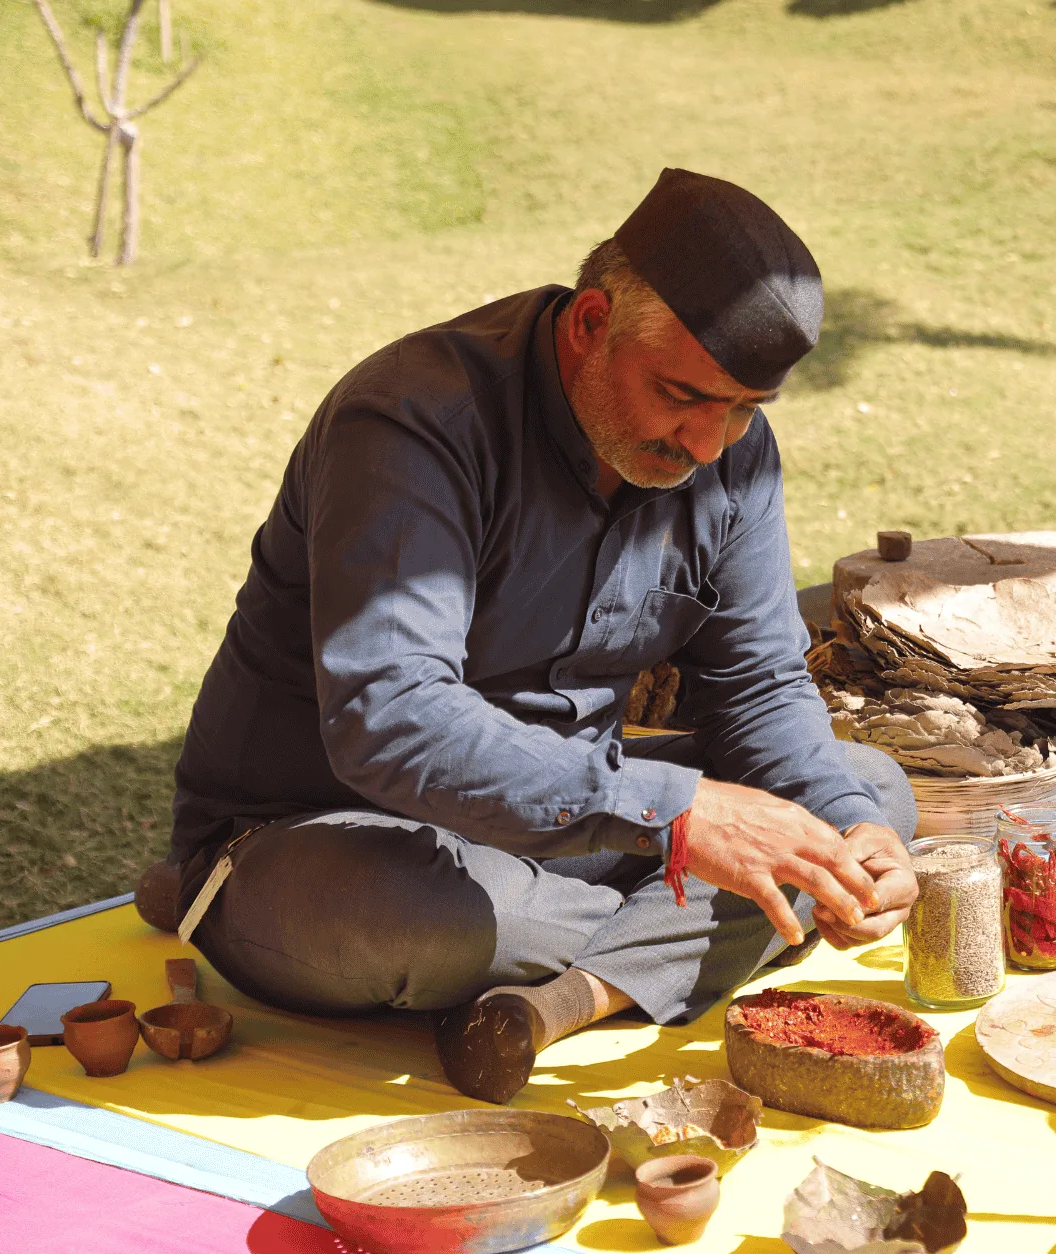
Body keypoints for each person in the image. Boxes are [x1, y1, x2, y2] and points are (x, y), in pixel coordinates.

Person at [142, 168, 919, 1104]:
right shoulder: (413, 421)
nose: (711, 444)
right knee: (419, 919)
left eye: (745, 408)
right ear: (591, 322)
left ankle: (570, 997)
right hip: (330, 838)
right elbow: (393, 719)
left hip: (566, 828)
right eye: (682, 394)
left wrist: (849, 833)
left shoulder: (730, 456)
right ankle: (659, 946)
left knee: (866, 793)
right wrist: (679, 819)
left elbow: (757, 688)